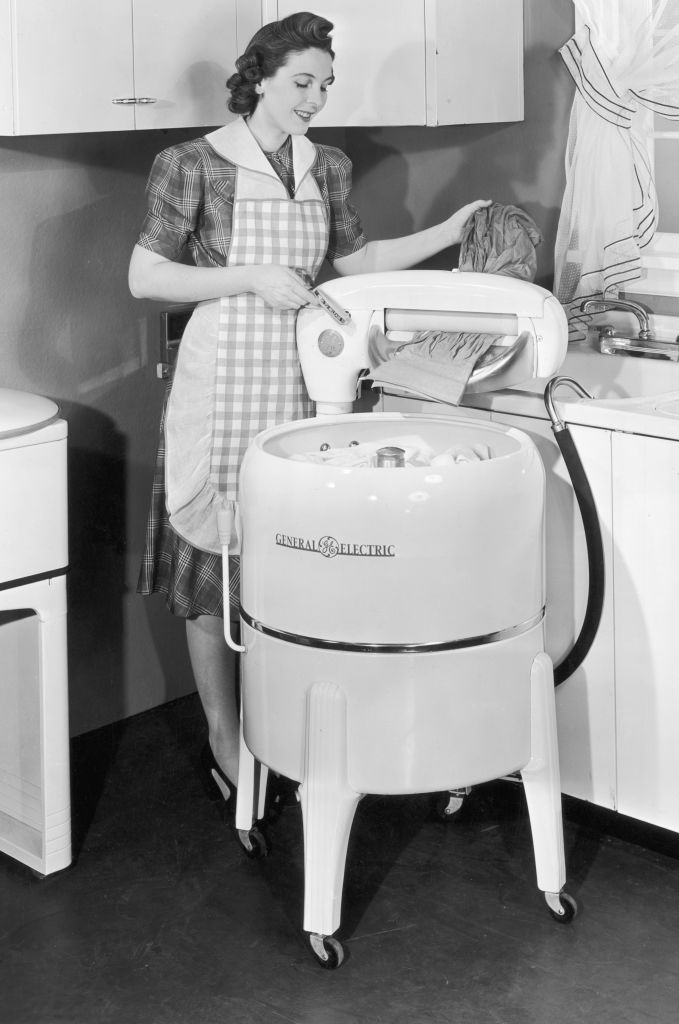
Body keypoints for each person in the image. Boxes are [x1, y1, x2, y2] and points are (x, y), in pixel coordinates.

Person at [129, 11, 489, 846]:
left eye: (325, 85)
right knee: (211, 557)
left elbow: (354, 262)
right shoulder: (190, 163)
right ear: (256, 78)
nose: (316, 98)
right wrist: (250, 274)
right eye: (302, 82)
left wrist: (450, 229)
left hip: (299, 382)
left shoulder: (326, 164)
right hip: (220, 384)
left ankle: (286, 726)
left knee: (290, 557)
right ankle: (227, 738)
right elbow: (145, 276)